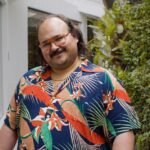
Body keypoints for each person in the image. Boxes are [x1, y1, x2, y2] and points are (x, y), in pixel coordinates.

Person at [0, 14, 140, 150]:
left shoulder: (103, 79)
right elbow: (10, 126)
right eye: (46, 44)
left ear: (75, 36)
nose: (54, 47)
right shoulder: (28, 80)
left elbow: (123, 132)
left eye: (59, 38)